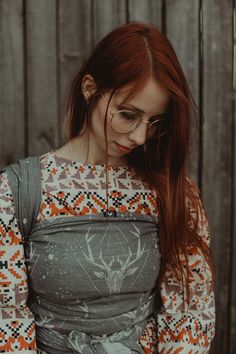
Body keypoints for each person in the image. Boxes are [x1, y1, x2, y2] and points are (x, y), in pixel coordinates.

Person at [0, 21, 215, 353]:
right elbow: (9, 320)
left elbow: (190, 313)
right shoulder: (17, 193)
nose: (140, 137)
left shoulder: (174, 193)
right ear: (90, 89)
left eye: (155, 122)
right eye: (128, 115)